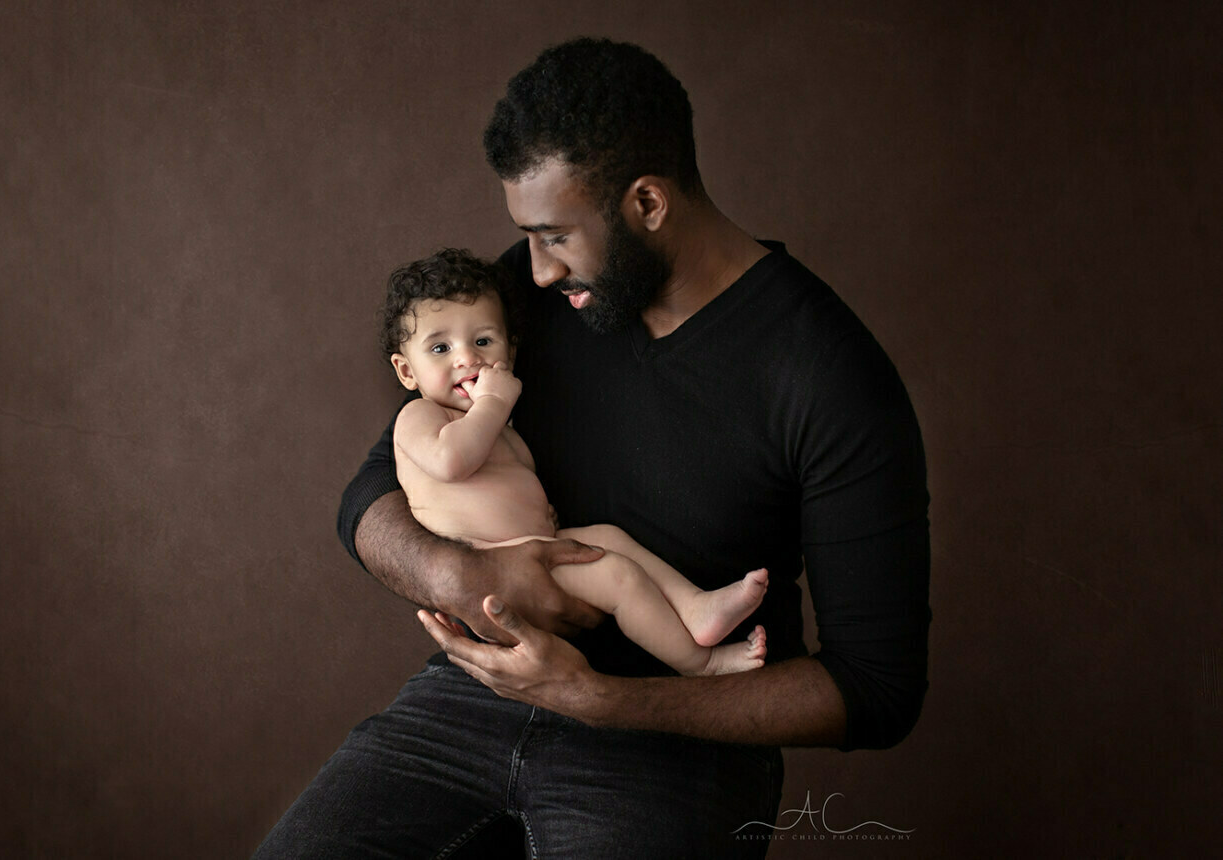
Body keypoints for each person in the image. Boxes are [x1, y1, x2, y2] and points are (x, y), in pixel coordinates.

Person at [255, 37, 929, 859]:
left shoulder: (829, 376)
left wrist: (603, 699)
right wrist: (459, 577)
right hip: (479, 693)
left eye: (554, 238)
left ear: (647, 203)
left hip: (675, 738)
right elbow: (373, 487)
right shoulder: (527, 303)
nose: (534, 273)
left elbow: (877, 690)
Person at [383, 248, 770, 677]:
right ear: (406, 371)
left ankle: (694, 606)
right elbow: (451, 461)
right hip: (499, 574)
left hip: (537, 547)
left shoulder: (497, 427)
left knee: (609, 537)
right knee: (620, 578)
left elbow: (506, 484)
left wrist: (537, 510)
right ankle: (701, 662)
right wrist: (492, 402)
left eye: (483, 341)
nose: (467, 358)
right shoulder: (419, 417)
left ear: (509, 350)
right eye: (440, 347)